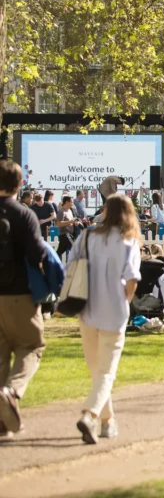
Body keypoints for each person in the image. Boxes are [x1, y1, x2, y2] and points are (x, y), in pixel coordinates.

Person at [67, 194, 142, 444]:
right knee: (105, 371)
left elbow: (71, 265)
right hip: (114, 309)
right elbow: (131, 278)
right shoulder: (128, 241)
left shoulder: (88, 236)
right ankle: (92, 415)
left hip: (87, 307)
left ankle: (107, 421)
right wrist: (125, 300)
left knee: (97, 370)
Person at [0, 160, 49, 439]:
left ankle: (1, 423)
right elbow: (36, 255)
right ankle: (11, 391)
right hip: (18, 293)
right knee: (31, 346)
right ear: (20, 185)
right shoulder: (24, 215)